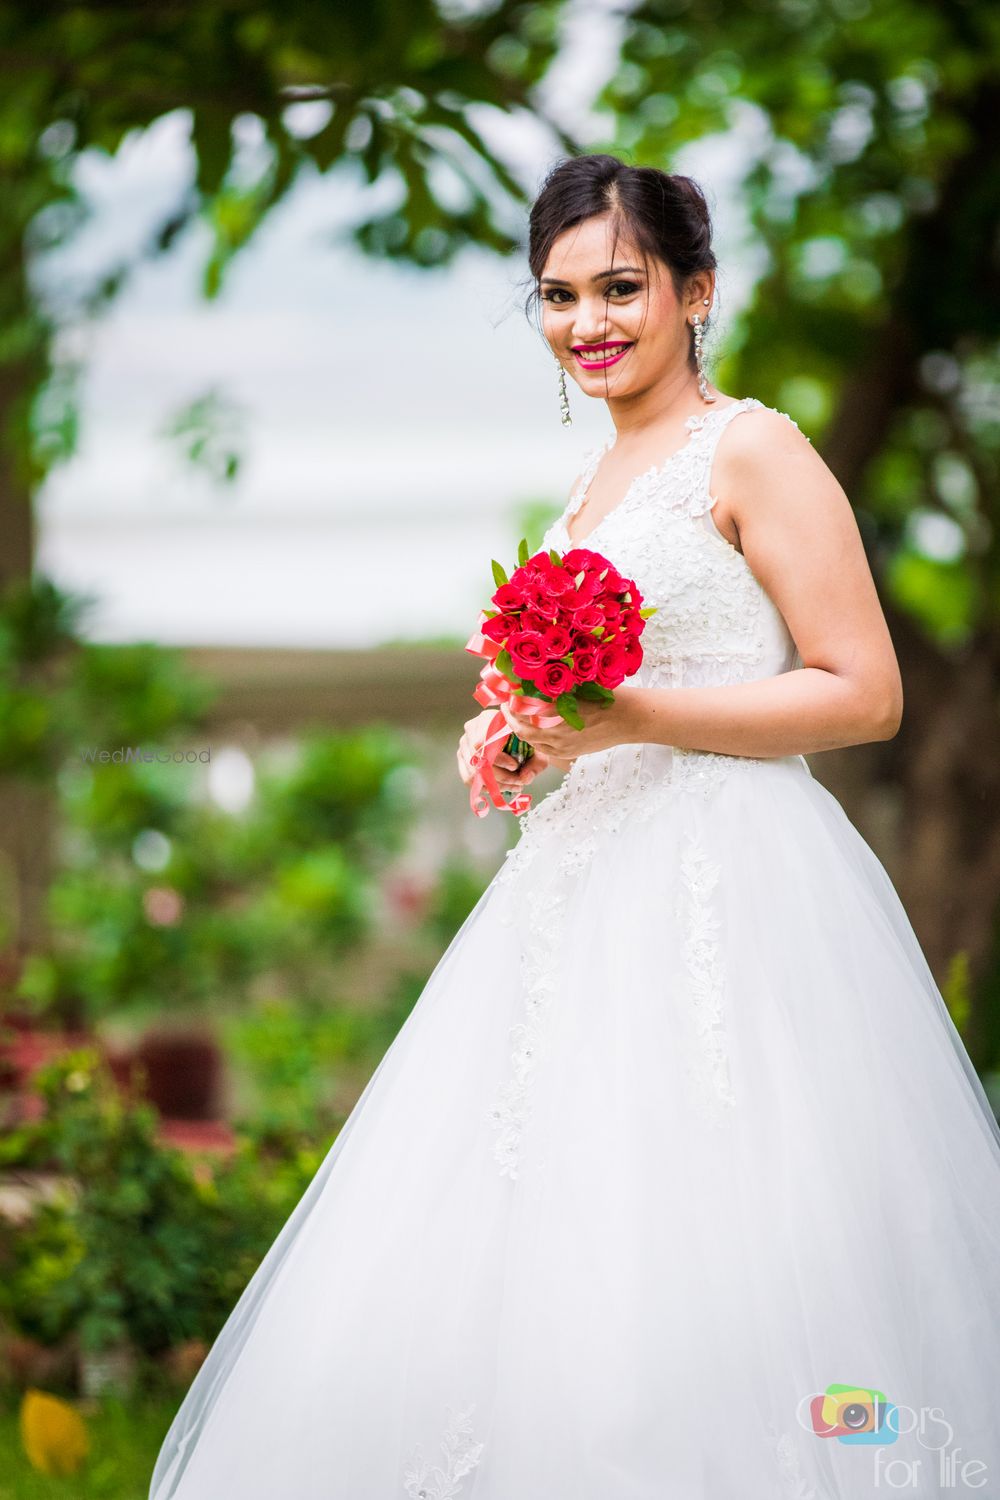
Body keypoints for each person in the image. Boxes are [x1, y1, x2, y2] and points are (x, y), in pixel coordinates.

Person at [149, 153, 1000, 1500]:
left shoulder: (753, 446)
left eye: (621, 287)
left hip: (733, 885)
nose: (589, 322)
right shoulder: (596, 482)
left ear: (697, 291)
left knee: (727, 1230)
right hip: (582, 892)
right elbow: (599, 695)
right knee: (559, 1235)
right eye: (558, 296)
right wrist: (523, 730)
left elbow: (867, 690)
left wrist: (634, 714)